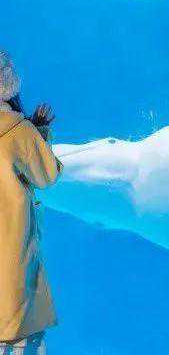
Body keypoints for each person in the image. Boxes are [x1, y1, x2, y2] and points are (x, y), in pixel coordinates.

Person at [0, 51, 62, 355]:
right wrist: (38, 134)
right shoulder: (17, 131)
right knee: (20, 332)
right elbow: (46, 174)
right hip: (11, 251)